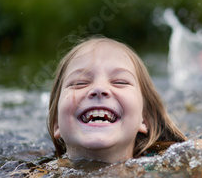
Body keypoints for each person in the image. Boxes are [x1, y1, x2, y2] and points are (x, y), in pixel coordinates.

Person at [47, 36, 186, 163]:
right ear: (56, 122)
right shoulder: (31, 176)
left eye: (120, 82)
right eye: (79, 83)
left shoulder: (176, 164)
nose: (99, 88)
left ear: (145, 119)